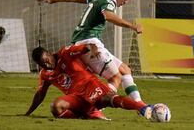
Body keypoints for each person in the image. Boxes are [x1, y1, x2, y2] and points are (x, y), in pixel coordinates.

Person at [37, 0, 144, 103]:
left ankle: (140, 105)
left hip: (82, 42)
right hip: (89, 43)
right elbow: (108, 16)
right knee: (115, 78)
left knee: (125, 70)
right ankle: (93, 107)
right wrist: (132, 26)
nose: (124, 2)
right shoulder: (110, 0)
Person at [25, 44, 154, 120]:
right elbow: (40, 94)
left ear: (49, 53)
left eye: (46, 60)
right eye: (43, 64)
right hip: (76, 97)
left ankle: (142, 107)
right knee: (55, 107)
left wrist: (92, 47)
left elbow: (85, 47)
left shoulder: (65, 53)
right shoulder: (45, 74)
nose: (47, 64)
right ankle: (86, 115)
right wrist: (28, 113)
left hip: (90, 85)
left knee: (109, 99)